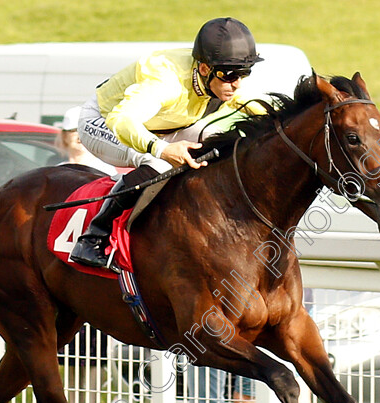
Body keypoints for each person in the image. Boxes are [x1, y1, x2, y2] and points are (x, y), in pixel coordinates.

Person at [69, 17, 264, 271]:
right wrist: (162, 149)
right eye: (229, 75)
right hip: (104, 122)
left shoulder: (222, 78)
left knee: (213, 139)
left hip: (157, 126)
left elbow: (260, 107)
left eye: (244, 73)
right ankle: (94, 236)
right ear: (204, 69)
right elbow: (123, 119)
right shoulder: (166, 82)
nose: (237, 83)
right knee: (157, 162)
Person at [55, 106, 118, 176]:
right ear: (64, 136)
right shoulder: (58, 171)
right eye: (75, 131)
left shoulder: (105, 170)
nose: (81, 136)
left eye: (86, 130)